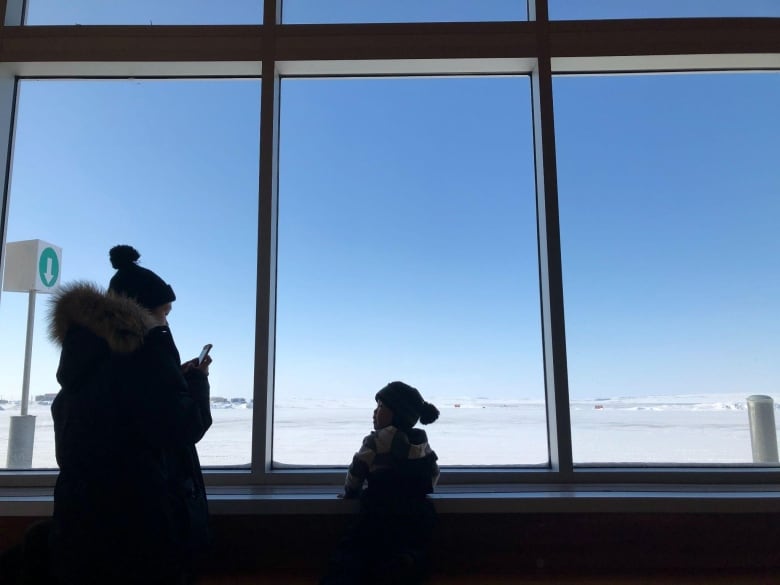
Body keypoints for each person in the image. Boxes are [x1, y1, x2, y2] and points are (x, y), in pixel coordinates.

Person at [46, 245, 213, 585]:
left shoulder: (86, 358)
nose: (166, 322)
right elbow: (183, 425)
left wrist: (172, 380)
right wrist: (196, 382)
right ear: (142, 314)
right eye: (164, 313)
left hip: (81, 517)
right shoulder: (145, 355)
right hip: (138, 519)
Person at [321, 381, 440, 585]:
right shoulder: (421, 442)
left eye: (381, 407)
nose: (374, 412)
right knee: (410, 552)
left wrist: (351, 491)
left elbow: (357, 470)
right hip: (416, 513)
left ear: (398, 412)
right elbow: (433, 474)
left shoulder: (375, 441)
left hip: (379, 511)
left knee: (357, 553)